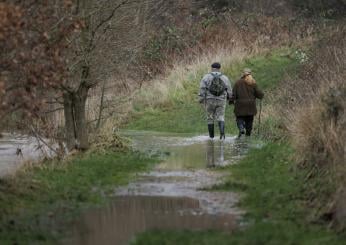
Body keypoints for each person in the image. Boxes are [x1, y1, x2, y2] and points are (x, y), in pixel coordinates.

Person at [199, 62, 232, 139]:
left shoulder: (206, 77)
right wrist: (230, 98)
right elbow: (229, 89)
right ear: (219, 68)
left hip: (209, 100)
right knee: (221, 117)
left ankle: (211, 137)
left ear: (212, 68)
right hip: (221, 100)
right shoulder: (225, 78)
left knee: (210, 117)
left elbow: (202, 88)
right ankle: (222, 135)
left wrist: (201, 98)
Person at [230, 68, 264, 137]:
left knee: (239, 118)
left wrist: (231, 100)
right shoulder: (253, 83)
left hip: (240, 105)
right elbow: (259, 94)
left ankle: (241, 128)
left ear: (243, 74)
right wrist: (261, 95)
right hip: (251, 106)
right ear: (250, 74)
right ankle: (248, 135)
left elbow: (233, 94)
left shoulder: (238, 82)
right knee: (249, 120)